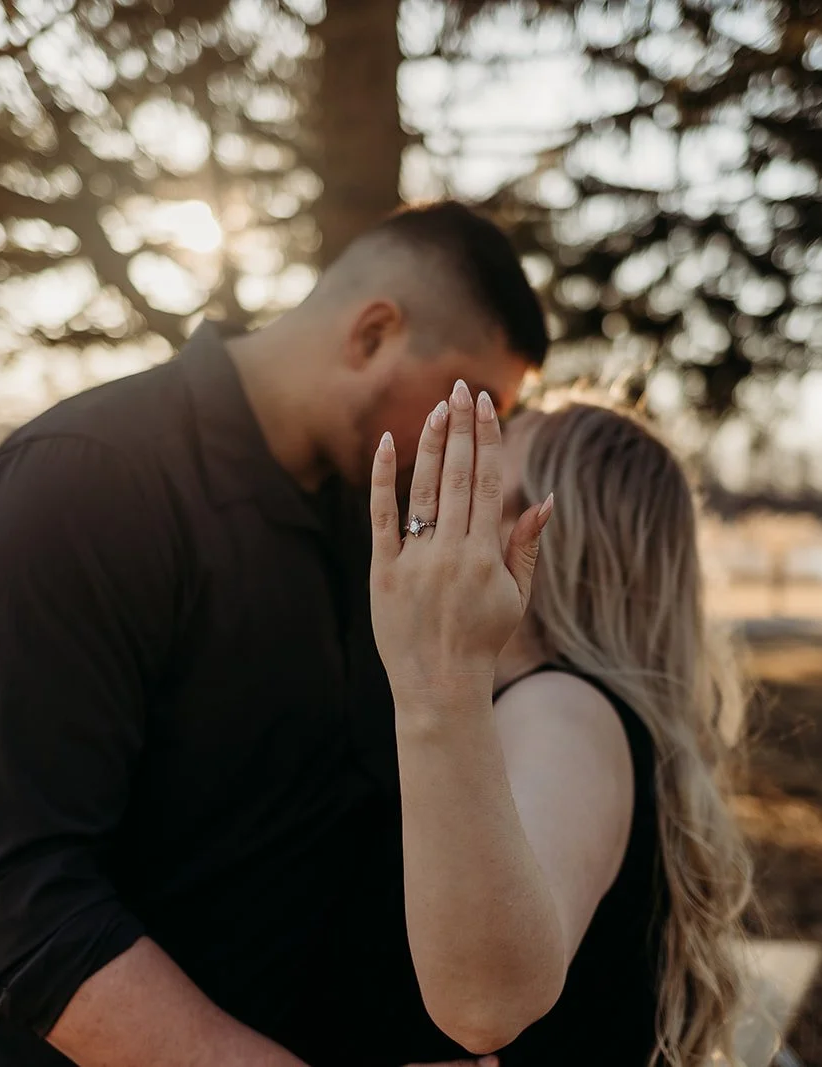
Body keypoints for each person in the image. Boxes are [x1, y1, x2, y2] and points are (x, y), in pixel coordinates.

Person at [0, 201, 547, 1067]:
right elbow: (20, 907)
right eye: (475, 403)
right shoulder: (76, 487)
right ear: (374, 334)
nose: (479, 445)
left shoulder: (372, 526)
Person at [288, 397, 752, 1067]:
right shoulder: (550, 705)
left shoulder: (564, 708)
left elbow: (485, 1004)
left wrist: (434, 675)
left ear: (545, 531)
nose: (447, 495)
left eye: (483, 479)